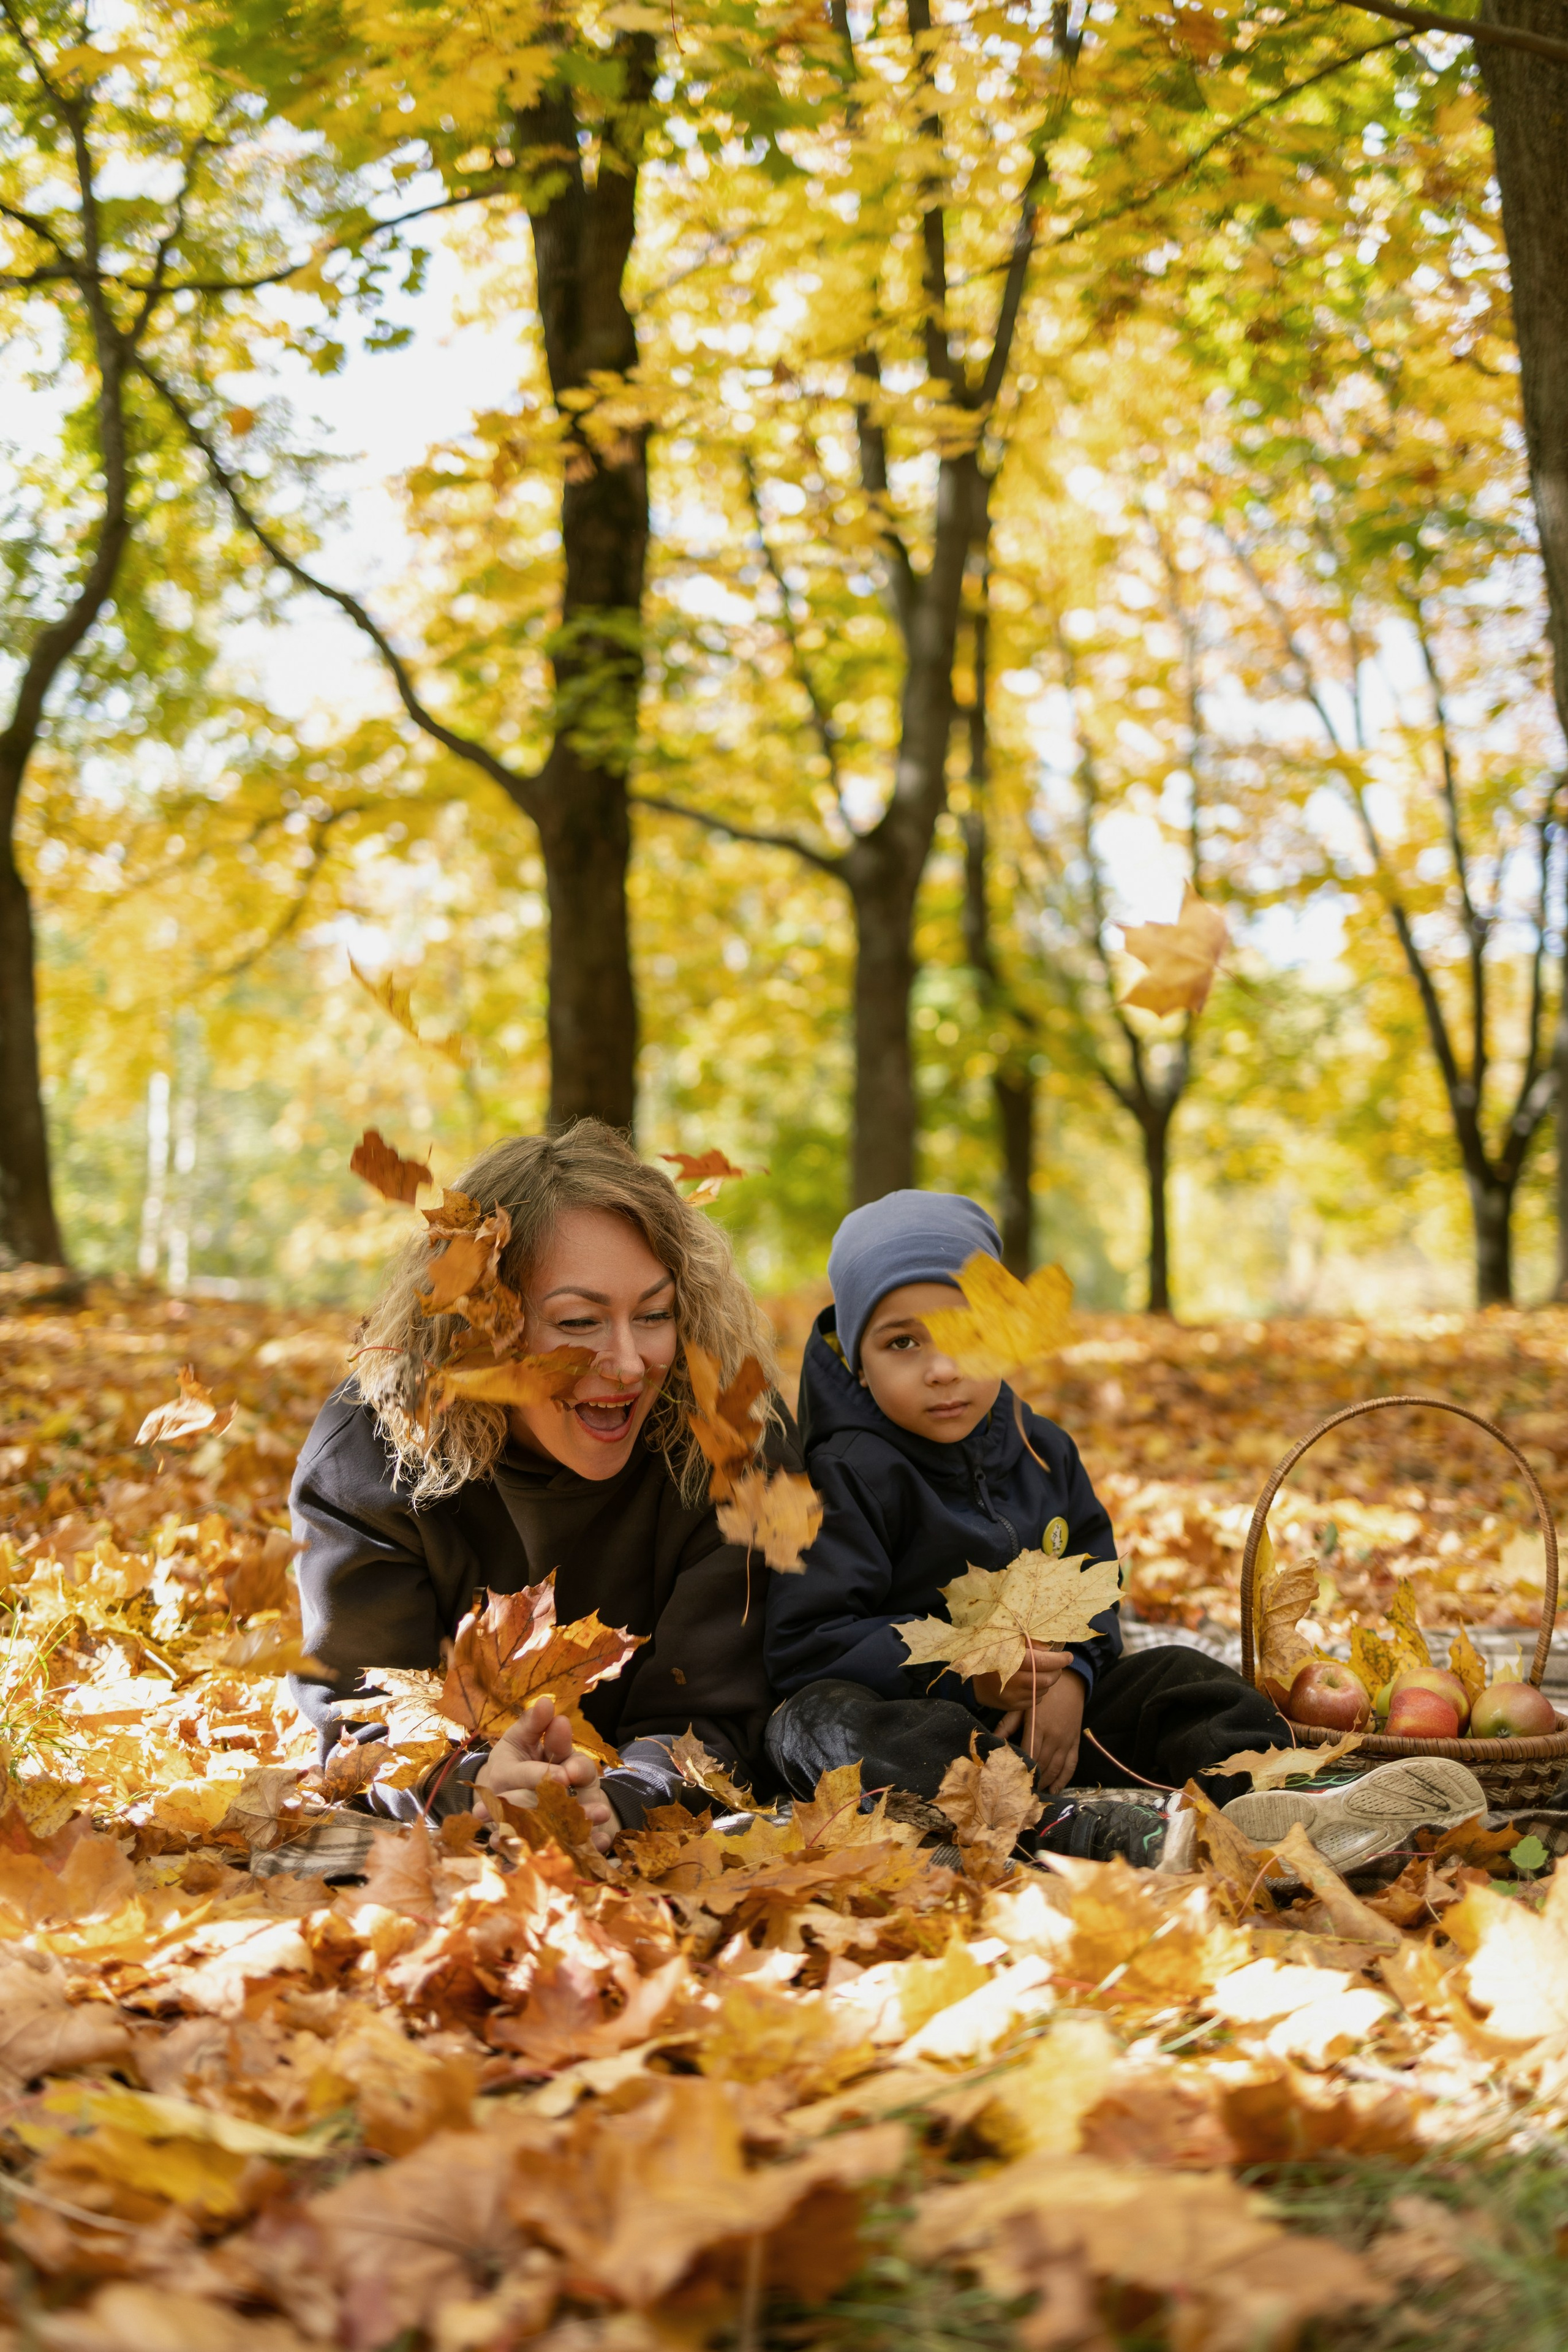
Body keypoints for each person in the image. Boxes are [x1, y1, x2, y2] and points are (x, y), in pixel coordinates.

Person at [764, 1191, 1491, 1869]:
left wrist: (1077, 1675)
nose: (943, 1368)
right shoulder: (843, 1475)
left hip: (1055, 1724)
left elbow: (1092, 1583)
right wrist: (969, 1676)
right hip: (932, 1735)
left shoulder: (1040, 1448)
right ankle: (1058, 1826)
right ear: (855, 1362)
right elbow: (808, 1645)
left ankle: (1280, 1799)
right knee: (814, 1725)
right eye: (902, 1344)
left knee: (1181, 1675)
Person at [288, 1120, 798, 1845]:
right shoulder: (368, 1455)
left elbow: (718, 1711)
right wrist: (466, 1790)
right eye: (580, 1321)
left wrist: (621, 1802)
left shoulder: (732, 1441)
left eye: (654, 1315)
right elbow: (364, 1713)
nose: (626, 1363)